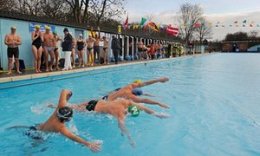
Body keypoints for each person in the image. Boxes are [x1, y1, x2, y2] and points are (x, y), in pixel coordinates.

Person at [10, 90, 101, 152]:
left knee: (21, 129)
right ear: (68, 119)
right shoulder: (61, 128)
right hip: (39, 137)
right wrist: (87, 143)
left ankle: (12, 127)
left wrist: (70, 94)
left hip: (34, 128)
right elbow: (73, 137)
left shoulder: (58, 111)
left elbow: (64, 91)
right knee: (31, 151)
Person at [67, 98, 169, 147]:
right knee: (74, 109)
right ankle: (56, 106)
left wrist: (156, 113)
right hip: (92, 109)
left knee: (73, 106)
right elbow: (122, 127)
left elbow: (142, 107)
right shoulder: (121, 114)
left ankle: (55, 105)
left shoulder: (124, 102)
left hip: (97, 101)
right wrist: (130, 140)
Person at [103, 77, 170, 109]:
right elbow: (145, 100)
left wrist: (158, 80)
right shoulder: (131, 98)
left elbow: (145, 83)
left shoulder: (128, 86)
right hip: (107, 106)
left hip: (105, 99)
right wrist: (158, 103)